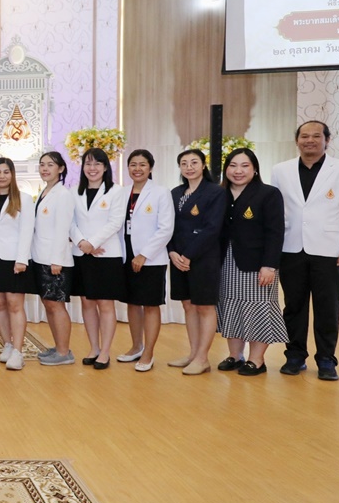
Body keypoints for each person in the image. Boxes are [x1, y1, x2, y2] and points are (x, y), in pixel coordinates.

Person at [270, 120, 339, 381]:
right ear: (297, 141)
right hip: (291, 248)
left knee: (328, 308)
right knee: (293, 307)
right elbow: (276, 213)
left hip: (329, 250)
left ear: (327, 140)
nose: (310, 140)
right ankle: (295, 355)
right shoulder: (281, 170)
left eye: (316, 136)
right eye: (304, 136)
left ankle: (326, 359)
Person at [216, 148, 288, 376]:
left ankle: (256, 359)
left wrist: (269, 265)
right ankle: (235, 355)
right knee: (231, 305)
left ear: (255, 169)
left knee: (258, 308)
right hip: (226, 261)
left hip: (258, 264)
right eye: (233, 165)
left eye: (244, 165)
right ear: (226, 169)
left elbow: (275, 232)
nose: (238, 171)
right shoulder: (220, 194)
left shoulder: (268, 193)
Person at [167, 149, 226, 376]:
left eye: (194, 162)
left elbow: (212, 228)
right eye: (184, 163)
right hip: (178, 258)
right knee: (188, 305)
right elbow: (168, 225)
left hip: (204, 258)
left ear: (203, 165)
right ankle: (193, 354)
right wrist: (172, 252)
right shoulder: (175, 193)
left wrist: (188, 255)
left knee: (204, 306)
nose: (189, 167)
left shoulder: (215, 192)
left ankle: (203, 358)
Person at [70, 148, 127, 370]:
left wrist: (92, 243)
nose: (92, 168)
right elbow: (70, 222)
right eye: (88, 163)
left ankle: (105, 352)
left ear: (105, 167)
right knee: (86, 303)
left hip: (106, 254)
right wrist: (82, 243)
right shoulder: (74, 192)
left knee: (105, 303)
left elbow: (115, 222)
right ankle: (93, 348)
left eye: (97, 164)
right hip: (81, 254)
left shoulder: (116, 191)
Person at [117, 149, 174, 372]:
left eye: (142, 164)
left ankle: (148, 352)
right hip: (127, 256)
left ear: (150, 168)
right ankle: (136, 347)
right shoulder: (122, 193)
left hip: (151, 259)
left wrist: (144, 254)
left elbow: (166, 228)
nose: (137, 169)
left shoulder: (161, 193)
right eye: (133, 164)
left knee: (150, 305)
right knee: (132, 303)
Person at [0, 158, 32, 370]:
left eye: (6, 172)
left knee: (14, 304)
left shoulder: (24, 199)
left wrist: (22, 259)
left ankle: (18, 351)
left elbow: (27, 231)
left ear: (12, 175)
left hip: (14, 259)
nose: (2, 176)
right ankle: (7, 345)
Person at [33, 152, 76, 366]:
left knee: (56, 305)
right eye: (42, 165)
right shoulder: (45, 191)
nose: (45, 168)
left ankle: (64, 352)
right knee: (49, 304)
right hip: (41, 257)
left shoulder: (63, 195)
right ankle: (59, 346)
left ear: (61, 168)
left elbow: (62, 229)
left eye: (50, 165)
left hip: (55, 261)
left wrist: (57, 260)